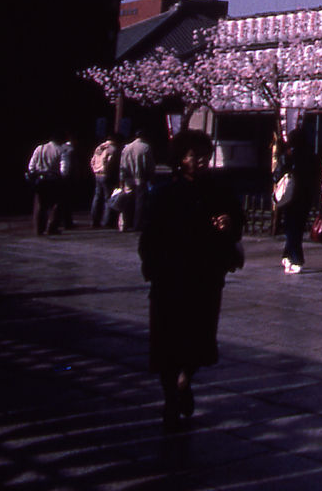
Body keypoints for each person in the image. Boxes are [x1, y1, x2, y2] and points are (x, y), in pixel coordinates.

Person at [138, 128, 242, 430]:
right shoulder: (165, 193)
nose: (200, 161)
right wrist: (153, 268)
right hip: (170, 277)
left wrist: (229, 224)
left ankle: (185, 380)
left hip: (204, 276)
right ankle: (172, 393)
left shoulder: (218, 190)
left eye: (204, 156)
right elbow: (150, 236)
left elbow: (235, 221)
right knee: (167, 341)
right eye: (193, 155)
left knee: (199, 337)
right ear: (180, 158)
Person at [274, 125, 319, 273]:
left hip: (291, 195)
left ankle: (295, 257)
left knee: (291, 227)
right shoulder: (312, 155)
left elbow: (279, 173)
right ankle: (288, 255)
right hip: (305, 195)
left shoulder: (290, 156)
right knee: (298, 227)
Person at [27, 131, 68, 235]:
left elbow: (31, 167)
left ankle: (39, 229)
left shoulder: (39, 148)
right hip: (54, 180)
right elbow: (64, 169)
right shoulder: (61, 150)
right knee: (55, 204)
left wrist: (37, 172)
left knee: (40, 204)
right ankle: (52, 227)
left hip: (40, 180)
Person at [118, 130, 157, 232]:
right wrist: (151, 178)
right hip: (141, 178)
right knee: (140, 202)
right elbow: (150, 165)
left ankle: (126, 224)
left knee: (127, 202)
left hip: (128, 178)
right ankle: (137, 224)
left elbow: (122, 166)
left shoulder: (126, 148)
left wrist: (121, 179)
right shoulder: (145, 147)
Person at [89, 135, 123, 228]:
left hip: (97, 174)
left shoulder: (99, 148)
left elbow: (92, 161)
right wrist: (106, 169)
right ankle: (107, 221)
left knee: (97, 197)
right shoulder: (113, 149)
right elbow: (110, 162)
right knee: (108, 198)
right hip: (107, 175)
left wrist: (95, 169)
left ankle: (94, 220)